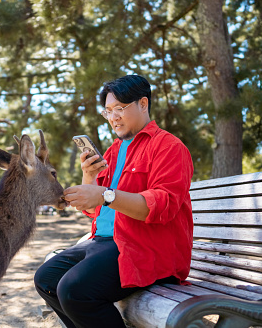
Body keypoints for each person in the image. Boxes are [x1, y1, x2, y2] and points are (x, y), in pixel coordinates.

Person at [34, 75, 194, 328]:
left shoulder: (168, 146)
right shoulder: (113, 151)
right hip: (105, 241)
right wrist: (89, 175)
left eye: (120, 108)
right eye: (108, 111)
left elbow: (163, 205)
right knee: (46, 279)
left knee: (74, 290)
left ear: (143, 104)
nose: (113, 117)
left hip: (145, 247)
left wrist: (105, 194)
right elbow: (94, 211)